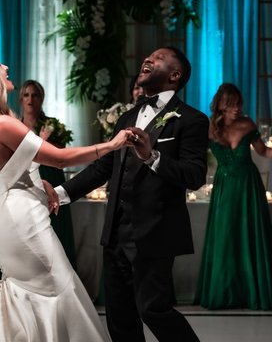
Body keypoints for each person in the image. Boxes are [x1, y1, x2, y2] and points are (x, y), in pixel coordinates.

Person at [0, 49, 135, 342]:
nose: (6, 66)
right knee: (59, 289)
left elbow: (14, 169)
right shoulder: (3, 123)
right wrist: (111, 145)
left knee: (30, 295)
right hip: (23, 222)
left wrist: (38, 184)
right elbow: (59, 159)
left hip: (7, 216)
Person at [55, 46, 209, 341]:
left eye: (159, 58)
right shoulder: (128, 116)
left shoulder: (191, 119)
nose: (148, 59)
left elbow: (195, 176)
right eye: (148, 56)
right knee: (120, 316)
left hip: (155, 231)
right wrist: (60, 194)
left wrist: (152, 157)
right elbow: (103, 169)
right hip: (115, 232)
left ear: (175, 75)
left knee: (153, 309)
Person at [194, 83, 272, 310]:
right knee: (225, 234)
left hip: (249, 185)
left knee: (249, 233)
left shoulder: (247, 123)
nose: (236, 108)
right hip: (225, 186)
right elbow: (196, 156)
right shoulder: (209, 129)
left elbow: (263, 151)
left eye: (238, 103)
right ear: (220, 105)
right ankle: (222, 291)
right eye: (231, 104)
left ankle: (251, 292)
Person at [19, 80, 76, 267]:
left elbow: (63, 153)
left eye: (34, 95)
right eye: (26, 95)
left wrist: (46, 143)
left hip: (51, 176)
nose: (30, 99)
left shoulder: (53, 125)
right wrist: (40, 142)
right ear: (21, 99)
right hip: (26, 180)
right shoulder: (14, 126)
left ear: (41, 99)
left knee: (55, 229)